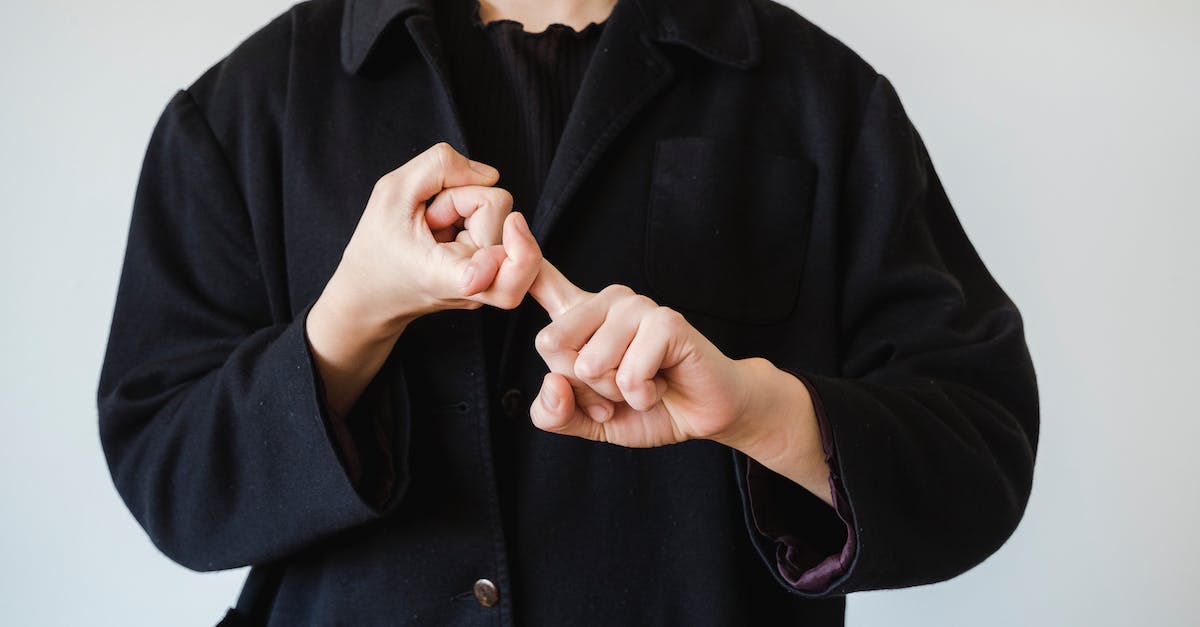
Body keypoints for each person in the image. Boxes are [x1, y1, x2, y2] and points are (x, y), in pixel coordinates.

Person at [96, 0, 1040, 624]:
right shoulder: (244, 110)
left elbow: (978, 451)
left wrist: (760, 409)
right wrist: (349, 322)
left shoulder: (825, 101)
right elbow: (170, 479)